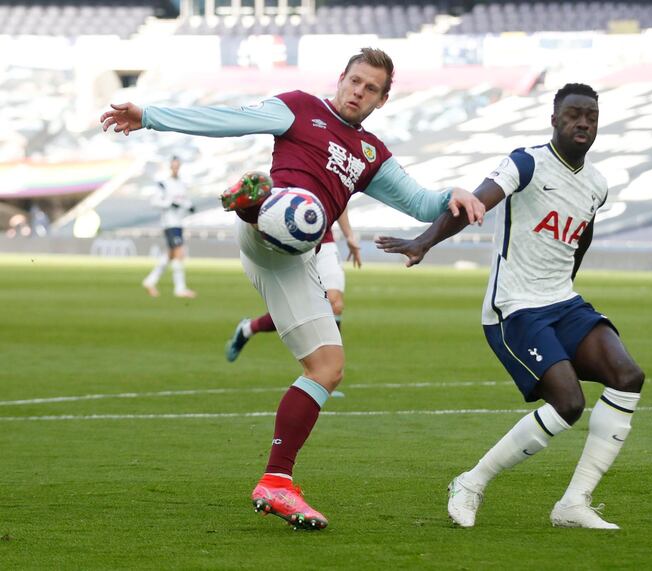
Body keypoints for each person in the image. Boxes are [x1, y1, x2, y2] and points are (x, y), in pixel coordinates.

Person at [101, 47, 484, 531]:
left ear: (383, 100)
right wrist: (151, 116)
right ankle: (253, 202)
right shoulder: (300, 107)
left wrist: (454, 193)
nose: (358, 92)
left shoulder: (373, 156)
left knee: (328, 368)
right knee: (299, 209)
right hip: (268, 231)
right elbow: (227, 119)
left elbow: (420, 202)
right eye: (355, 81)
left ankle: (276, 481)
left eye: (371, 89)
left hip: (294, 262)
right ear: (340, 78)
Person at [376, 83, 645, 530]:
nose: (583, 123)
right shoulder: (527, 162)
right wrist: (423, 243)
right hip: (515, 307)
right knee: (569, 403)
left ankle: (573, 504)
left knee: (628, 376)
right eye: (574, 114)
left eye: (591, 117)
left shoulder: (597, 184)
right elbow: (472, 205)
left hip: (563, 301)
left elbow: (583, 238)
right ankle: (471, 482)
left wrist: (566, 286)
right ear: (555, 120)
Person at [225, 208, 362, 362]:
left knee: (334, 303)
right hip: (292, 243)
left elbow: (340, 197)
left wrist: (349, 234)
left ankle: (328, 368)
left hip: (325, 242)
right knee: (295, 310)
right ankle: (248, 329)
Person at [141, 155, 197, 298]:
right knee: (179, 252)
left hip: (179, 223)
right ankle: (180, 288)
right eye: (173, 166)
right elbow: (154, 201)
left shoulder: (182, 184)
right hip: (169, 223)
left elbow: (185, 201)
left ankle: (150, 280)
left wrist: (190, 207)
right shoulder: (163, 184)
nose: (175, 168)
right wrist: (168, 204)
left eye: (177, 166)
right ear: (170, 167)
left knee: (170, 255)